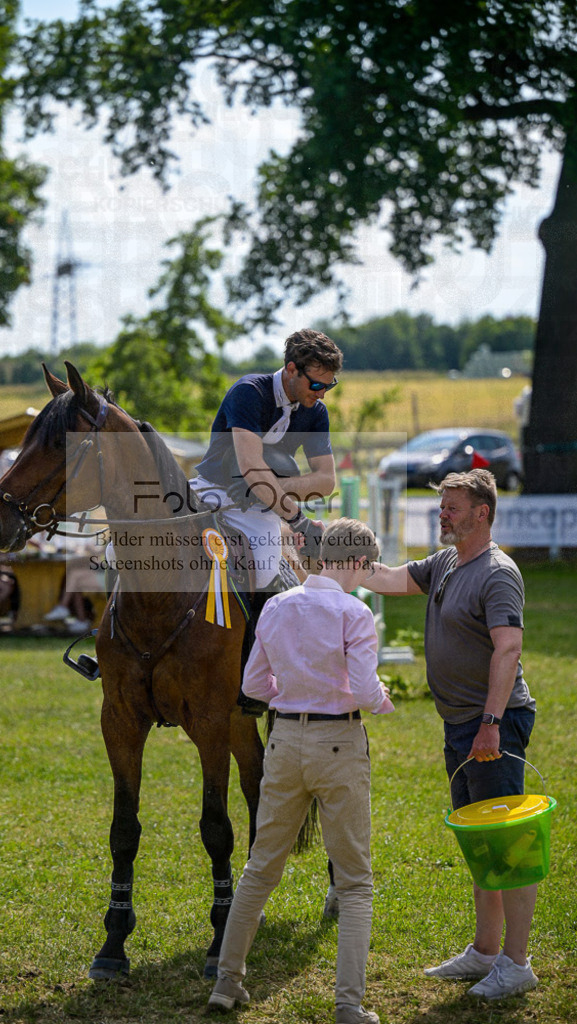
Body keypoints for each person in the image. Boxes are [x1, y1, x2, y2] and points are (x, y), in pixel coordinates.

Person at [207, 518, 394, 1024]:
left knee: (260, 869)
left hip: (285, 740)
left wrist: (294, 681)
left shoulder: (277, 607)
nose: (368, 576)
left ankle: (227, 982)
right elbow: (363, 689)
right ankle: (348, 1005)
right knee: (355, 883)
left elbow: (256, 686)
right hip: (339, 741)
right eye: (369, 567)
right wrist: (383, 701)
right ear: (356, 562)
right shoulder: (355, 612)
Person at [362, 469, 538, 1000]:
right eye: (441, 507)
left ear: (481, 513)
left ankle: (518, 962)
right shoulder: (445, 562)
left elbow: (508, 649)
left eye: (452, 508)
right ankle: (485, 953)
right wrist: (326, 550)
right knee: (478, 841)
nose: (442, 515)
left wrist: (490, 724)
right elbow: (390, 578)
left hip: (492, 725)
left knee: (508, 845)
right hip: (460, 724)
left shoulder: (498, 573)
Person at [190, 328, 343, 712]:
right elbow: (249, 468)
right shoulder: (250, 393)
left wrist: (280, 486)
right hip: (213, 489)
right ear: (291, 369)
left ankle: (251, 676)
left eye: (329, 385)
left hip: (259, 505)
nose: (321, 393)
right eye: (316, 383)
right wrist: (297, 518)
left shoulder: (316, 412)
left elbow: (326, 481)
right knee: (120, 549)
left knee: (261, 568)